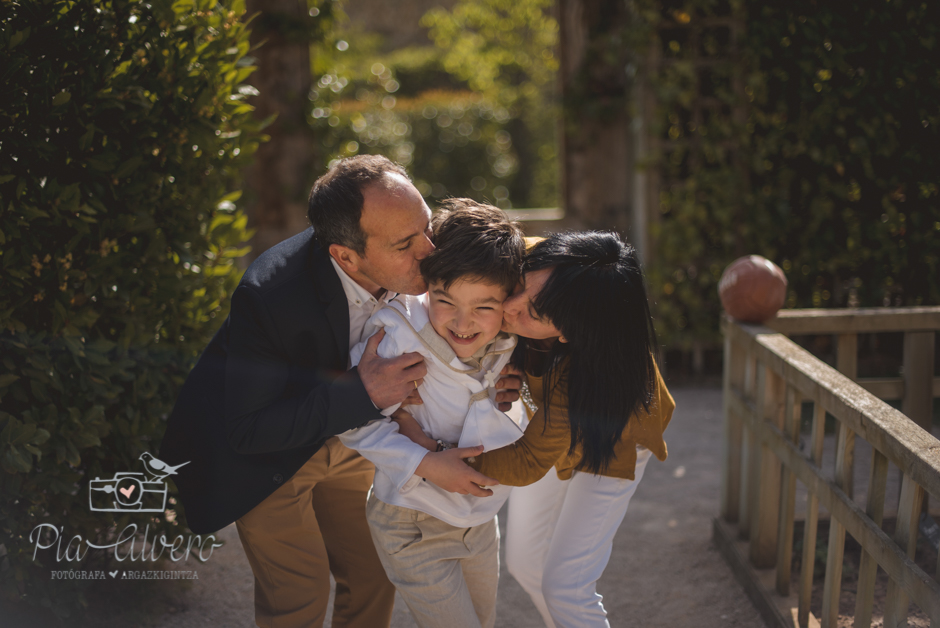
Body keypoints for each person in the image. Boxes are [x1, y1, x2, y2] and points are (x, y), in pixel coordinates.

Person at [158, 156, 511, 628]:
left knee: (373, 576)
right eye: (405, 244)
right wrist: (363, 393)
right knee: (299, 595)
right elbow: (248, 429)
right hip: (270, 454)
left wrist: (517, 370)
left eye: (426, 227)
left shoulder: (420, 257)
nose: (430, 251)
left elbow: (514, 278)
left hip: (354, 438)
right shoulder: (268, 296)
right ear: (346, 257)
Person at [397, 231, 676, 628]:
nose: (509, 306)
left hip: (612, 440)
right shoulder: (524, 256)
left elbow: (527, 461)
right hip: (548, 428)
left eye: (532, 312)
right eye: (520, 286)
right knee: (525, 563)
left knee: (566, 588)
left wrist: (439, 457)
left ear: (567, 333)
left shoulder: (582, 369)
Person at [339, 200, 526, 628]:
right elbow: (350, 420)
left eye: (483, 307)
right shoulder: (397, 335)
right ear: (429, 286)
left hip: (480, 520)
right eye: (445, 300)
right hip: (413, 518)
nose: (463, 322)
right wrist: (424, 461)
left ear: (508, 300)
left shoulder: (512, 339)